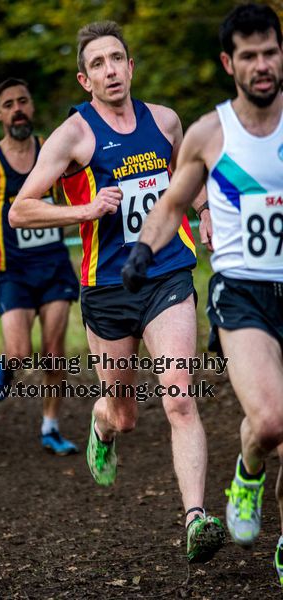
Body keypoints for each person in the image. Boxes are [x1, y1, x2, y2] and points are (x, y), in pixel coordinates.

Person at [8, 22, 225, 563]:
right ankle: (101, 425)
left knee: (179, 395)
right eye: (98, 64)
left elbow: (184, 176)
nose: (110, 70)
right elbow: (20, 209)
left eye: (117, 59)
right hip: (106, 288)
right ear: (86, 79)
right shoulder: (72, 135)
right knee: (125, 414)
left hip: (168, 272)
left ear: (130, 67)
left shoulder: (166, 121)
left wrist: (201, 214)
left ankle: (196, 518)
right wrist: (81, 209)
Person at [122, 2, 283, 584]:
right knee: (268, 421)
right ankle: (247, 471)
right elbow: (169, 204)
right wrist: (143, 252)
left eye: (270, 52)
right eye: (249, 56)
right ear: (228, 62)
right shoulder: (210, 133)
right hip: (242, 293)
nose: (262, 65)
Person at [0, 78, 80, 456]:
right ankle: (6, 364)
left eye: (23, 101)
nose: (18, 109)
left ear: (32, 106)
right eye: (8, 104)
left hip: (55, 265)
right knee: (20, 353)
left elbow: (78, 191)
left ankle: (50, 426)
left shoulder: (53, 149)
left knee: (54, 351)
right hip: (14, 271)